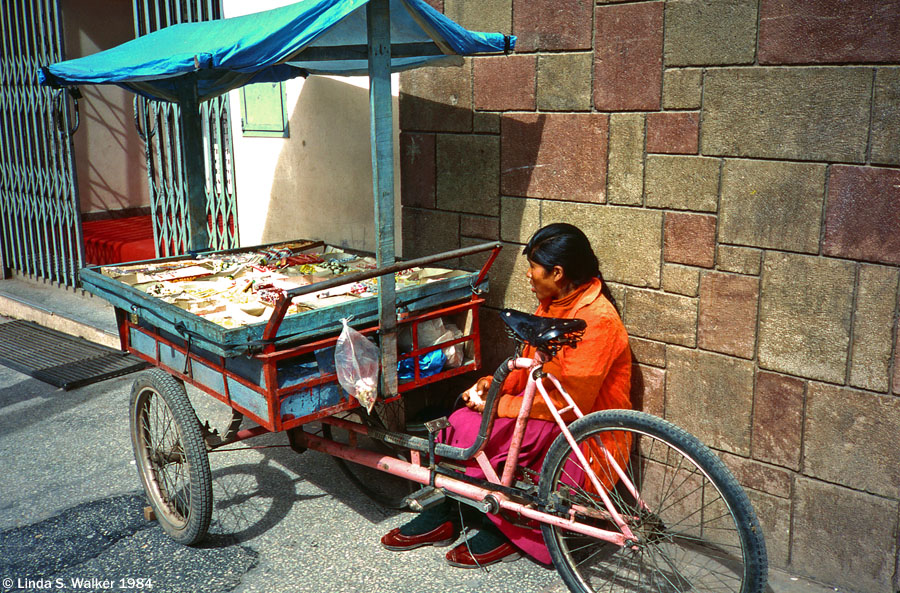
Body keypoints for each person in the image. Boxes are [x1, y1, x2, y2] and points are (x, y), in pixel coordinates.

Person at [380, 223, 633, 568]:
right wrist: (490, 385)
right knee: (460, 421)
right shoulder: (554, 301)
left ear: (557, 273)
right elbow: (527, 367)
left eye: (533, 269)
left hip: (579, 431)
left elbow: (570, 404)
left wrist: (498, 405)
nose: (528, 277)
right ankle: (447, 510)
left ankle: (507, 528)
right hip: (541, 411)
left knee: (476, 430)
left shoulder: (597, 319)